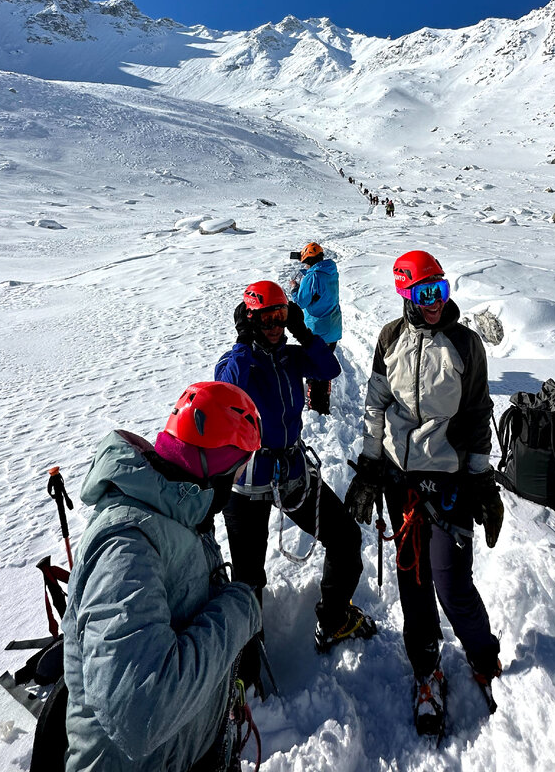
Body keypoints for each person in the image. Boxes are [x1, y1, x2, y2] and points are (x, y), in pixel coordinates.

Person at [62, 382, 264, 772]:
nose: (238, 483)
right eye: (240, 468)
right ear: (216, 467)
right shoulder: (128, 547)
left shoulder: (178, 510)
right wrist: (237, 612)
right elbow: (140, 714)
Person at [345, 250, 504, 738]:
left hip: (450, 478)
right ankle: (426, 671)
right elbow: (377, 404)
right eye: (423, 293)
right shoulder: (390, 338)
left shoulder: (465, 343)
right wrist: (371, 465)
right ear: (405, 295)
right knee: (412, 576)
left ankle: (483, 657)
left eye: (440, 290)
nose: (434, 302)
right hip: (399, 478)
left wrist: (481, 478)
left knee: (450, 580)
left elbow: (478, 414)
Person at [215, 280, 376, 657]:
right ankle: (248, 662)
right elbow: (226, 393)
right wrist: (242, 343)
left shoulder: (290, 356)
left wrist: (304, 333)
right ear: (249, 320)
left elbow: (329, 367)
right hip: (247, 481)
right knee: (248, 577)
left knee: (345, 537)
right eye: (265, 318)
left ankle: (335, 618)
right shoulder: (238, 360)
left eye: (280, 316)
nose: (273, 326)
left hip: (291, 473)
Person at [289, 241, 343, 415]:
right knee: (325, 361)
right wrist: (307, 274)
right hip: (333, 328)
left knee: (314, 367)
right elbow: (319, 283)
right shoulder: (331, 271)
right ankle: (325, 390)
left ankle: (318, 407)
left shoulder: (311, 277)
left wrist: (295, 289)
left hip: (318, 330)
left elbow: (302, 301)